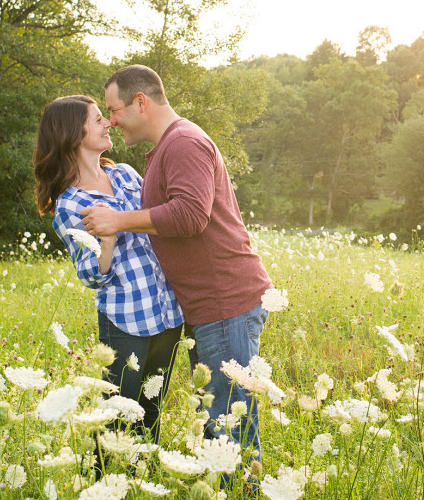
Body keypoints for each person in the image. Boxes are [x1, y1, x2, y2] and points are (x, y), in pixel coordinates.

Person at [79, 65, 273, 462]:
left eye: (113, 110)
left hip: (225, 303)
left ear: (140, 102)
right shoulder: (167, 147)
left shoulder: (183, 142)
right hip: (208, 307)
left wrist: (116, 220)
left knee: (228, 427)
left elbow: (189, 215)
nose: (111, 122)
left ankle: (241, 491)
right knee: (217, 422)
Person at [33, 95, 185, 443]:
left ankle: (141, 480)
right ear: (74, 133)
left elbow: (160, 222)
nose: (109, 123)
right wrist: (110, 236)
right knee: (116, 417)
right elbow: (91, 274)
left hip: (167, 310)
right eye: (98, 119)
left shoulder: (125, 173)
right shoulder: (71, 204)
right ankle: (106, 482)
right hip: (126, 317)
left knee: (151, 409)